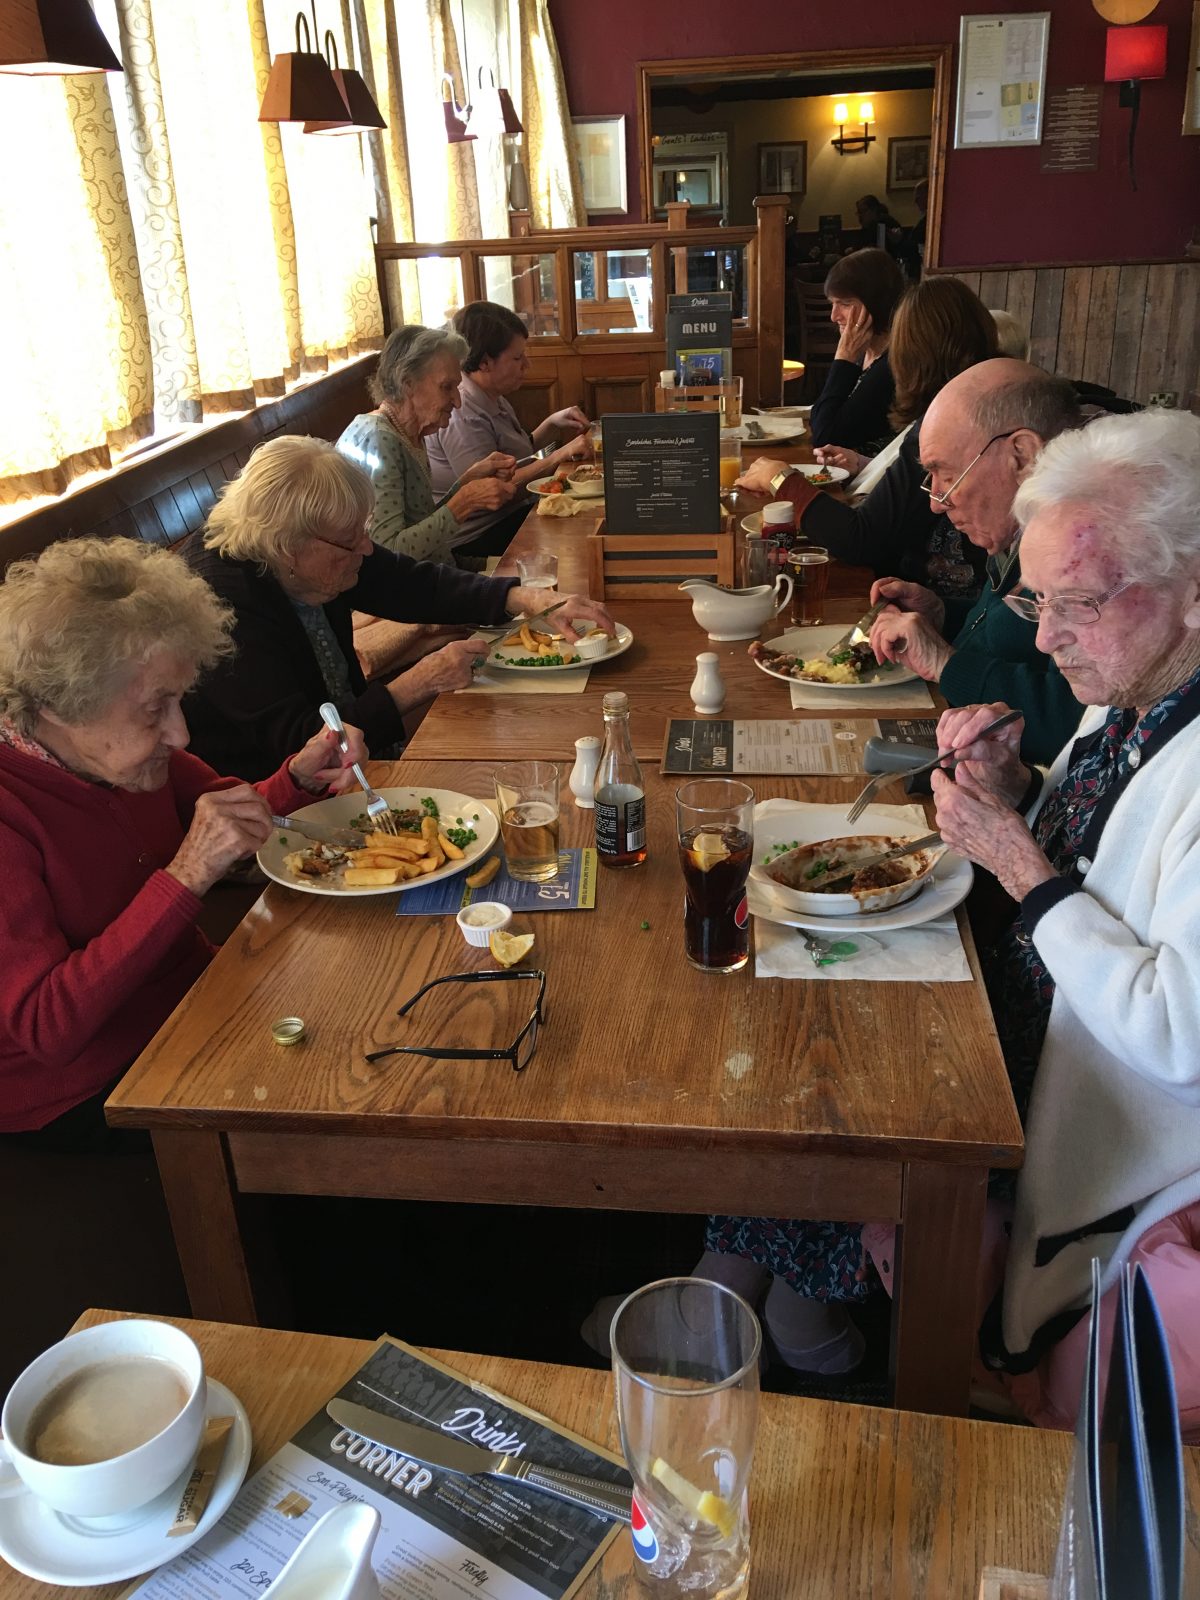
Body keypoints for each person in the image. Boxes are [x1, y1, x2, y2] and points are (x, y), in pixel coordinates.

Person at [927, 408, 1200, 1437]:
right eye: (1036, 599)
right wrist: (1020, 784)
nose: (1044, 639)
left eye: (1077, 602)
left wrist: (1017, 861)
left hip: (1117, 1163)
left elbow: (1180, 1041)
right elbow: (1107, 856)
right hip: (1024, 1065)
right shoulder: (1144, 683)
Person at [0, 536, 367, 1139]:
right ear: (62, 707)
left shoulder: (121, 755)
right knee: (338, 1106)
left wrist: (298, 776)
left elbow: (233, 810)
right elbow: (48, 1028)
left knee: (363, 1003)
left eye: (179, 700)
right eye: (154, 709)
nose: (181, 733)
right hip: (94, 1084)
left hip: (198, 1000)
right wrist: (187, 875)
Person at [182, 435, 613, 782]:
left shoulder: (309, 550)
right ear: (289, 548)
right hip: (269, 801)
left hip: (356, 762)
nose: (366, 548)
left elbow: (409, 581)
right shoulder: (222, 607)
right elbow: (303, 746)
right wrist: (420, 682)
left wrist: (528, 598)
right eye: (352, 541)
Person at [865, 359, 1085, 765]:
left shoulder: (1084, 552)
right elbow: (1011, 633)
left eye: (945, 474)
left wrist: (944, 662)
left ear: (1022, 455)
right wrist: (942, 614)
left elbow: (1071, 727)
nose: (935, 501)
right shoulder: (1022, 526)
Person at [737, 276, 1000, 602]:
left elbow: (860, 540)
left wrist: (781, 478)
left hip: (930, 601)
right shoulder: (982, 400)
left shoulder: (949, 421)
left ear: (912, 351)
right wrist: (867, 464)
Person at [336, 325, 518, 566]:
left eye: (457, 386)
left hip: (439, 570)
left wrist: (467, 481)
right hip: (408, 594)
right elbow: (388, 552)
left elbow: (419, 521)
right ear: (407, 384)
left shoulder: (407, 433)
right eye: (446, 387)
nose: (458, 400)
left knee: (532, 568)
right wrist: (465, 501)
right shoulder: (379, 441)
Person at [426, 301, 592, 555]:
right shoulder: (463, 411)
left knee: (587, 510)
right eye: (517, 358)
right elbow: (492, 492)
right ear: (484, 362)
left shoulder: (491, 394)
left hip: (511, 516)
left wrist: (552, 424)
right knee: (581, 533)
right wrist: (561, 453)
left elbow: (513, 459)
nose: (526, 365)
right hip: (479, 536)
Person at [809, 249, 905, 455]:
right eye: (832, 304)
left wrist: (843, 360)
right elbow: (820, 418)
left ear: (877, 303)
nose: (834, 316)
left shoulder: (894, 362)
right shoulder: (864, 352)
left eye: (845, 304)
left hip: (867, 482)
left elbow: (825, 437)